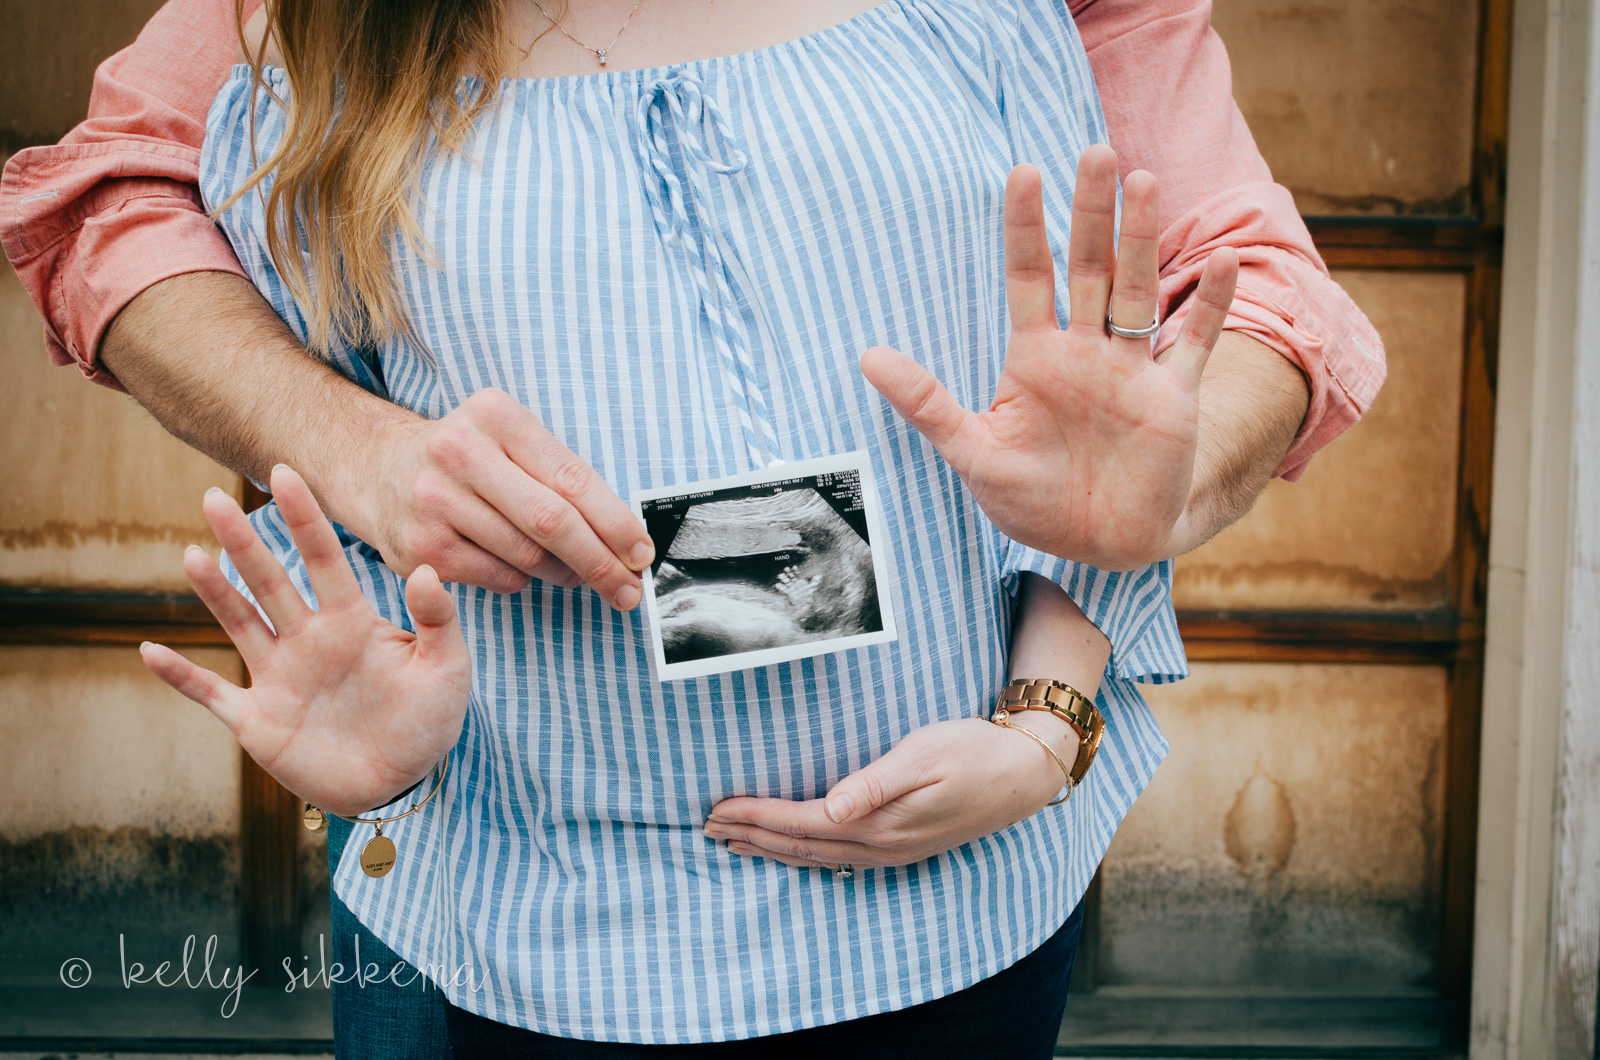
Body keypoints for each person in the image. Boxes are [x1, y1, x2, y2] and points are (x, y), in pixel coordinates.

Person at [0, 0, 1386, 1055]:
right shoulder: (301, 29)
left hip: (956, 913)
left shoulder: (1009, 24)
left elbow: (1201, 315)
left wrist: (1053, 712)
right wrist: (353, 450)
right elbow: (107, 198)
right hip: (498, 927)